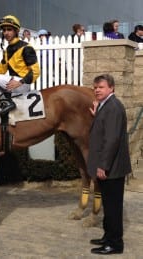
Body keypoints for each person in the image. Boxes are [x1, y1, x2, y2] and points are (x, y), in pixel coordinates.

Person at [88, 74, 131, 255]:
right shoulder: (106, 106)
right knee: (108, 203)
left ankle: (115, 244)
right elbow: (105, 128)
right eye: (96, 87)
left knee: (113, 206)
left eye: (101, 87)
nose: (97, 90)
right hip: (109, 166)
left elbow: (112, 139)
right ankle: (108, 236)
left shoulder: (113, 107)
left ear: (111, 88)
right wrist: (98, 113)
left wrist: (103, 165)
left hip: (111, 168)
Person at [0, 15, 40, 116]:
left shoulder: (26, 47)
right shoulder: (8, 49)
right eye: (4, 30)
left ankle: (6, 102)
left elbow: (36, 71)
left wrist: (20, 82)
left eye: (9, 29)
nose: (6, 33)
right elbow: (1, 69)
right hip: (14, 82)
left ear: (16, 31)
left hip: (21, 84)